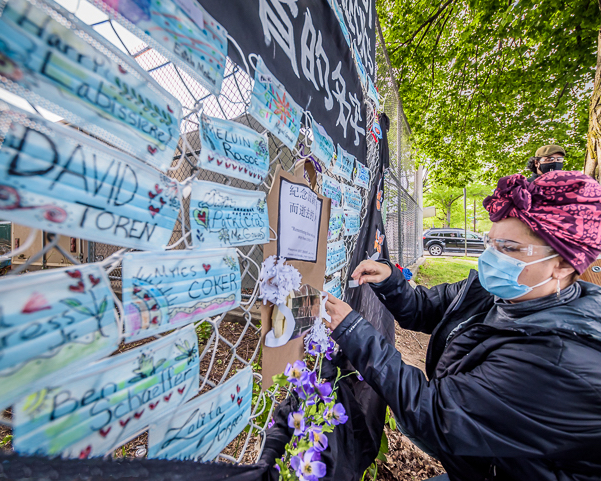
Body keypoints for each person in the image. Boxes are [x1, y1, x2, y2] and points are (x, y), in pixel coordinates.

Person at [324, 171, 601, 481]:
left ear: (562, 264)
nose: (491, 258)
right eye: (490, 242)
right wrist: (390, 281)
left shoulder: (558, 359)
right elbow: (426, 308)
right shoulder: (503, 291)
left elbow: (434, 413)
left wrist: (353, 331)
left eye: (509, 248)